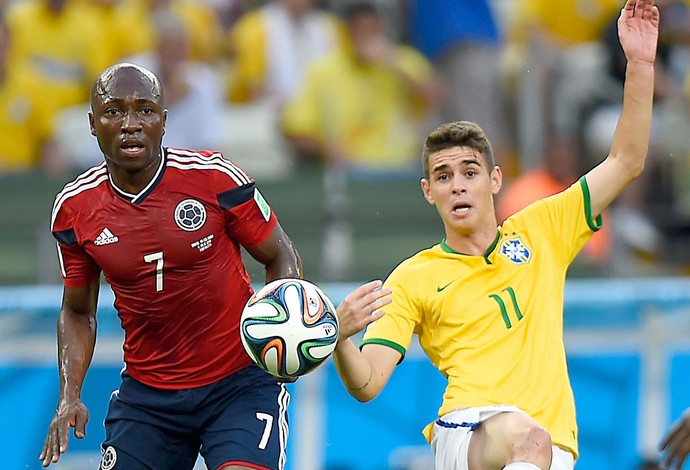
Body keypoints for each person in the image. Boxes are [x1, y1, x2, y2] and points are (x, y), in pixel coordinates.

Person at [332, 0, 659, 468]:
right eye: (444, 176)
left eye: (469, 171)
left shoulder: (544, 227)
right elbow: (367, 385)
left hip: (551, 446)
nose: (458, 184)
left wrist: (641, 64)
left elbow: (626, 161)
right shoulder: (412, 277)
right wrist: (342, 338)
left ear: (495, 180)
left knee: (536, 443)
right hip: (471, 430)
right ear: (428, 192)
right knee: (530, 440)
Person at [39, 62, 302, 469]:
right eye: (113, 112)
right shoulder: (74, 210)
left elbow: (280, 255)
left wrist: (283, 334)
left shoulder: (215, 178)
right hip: (149, 398)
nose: (130, 124)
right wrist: (69, 395)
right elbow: (77, 310)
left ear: (164, 121)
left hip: (238, 383)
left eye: (145, 110)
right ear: (93, 124)